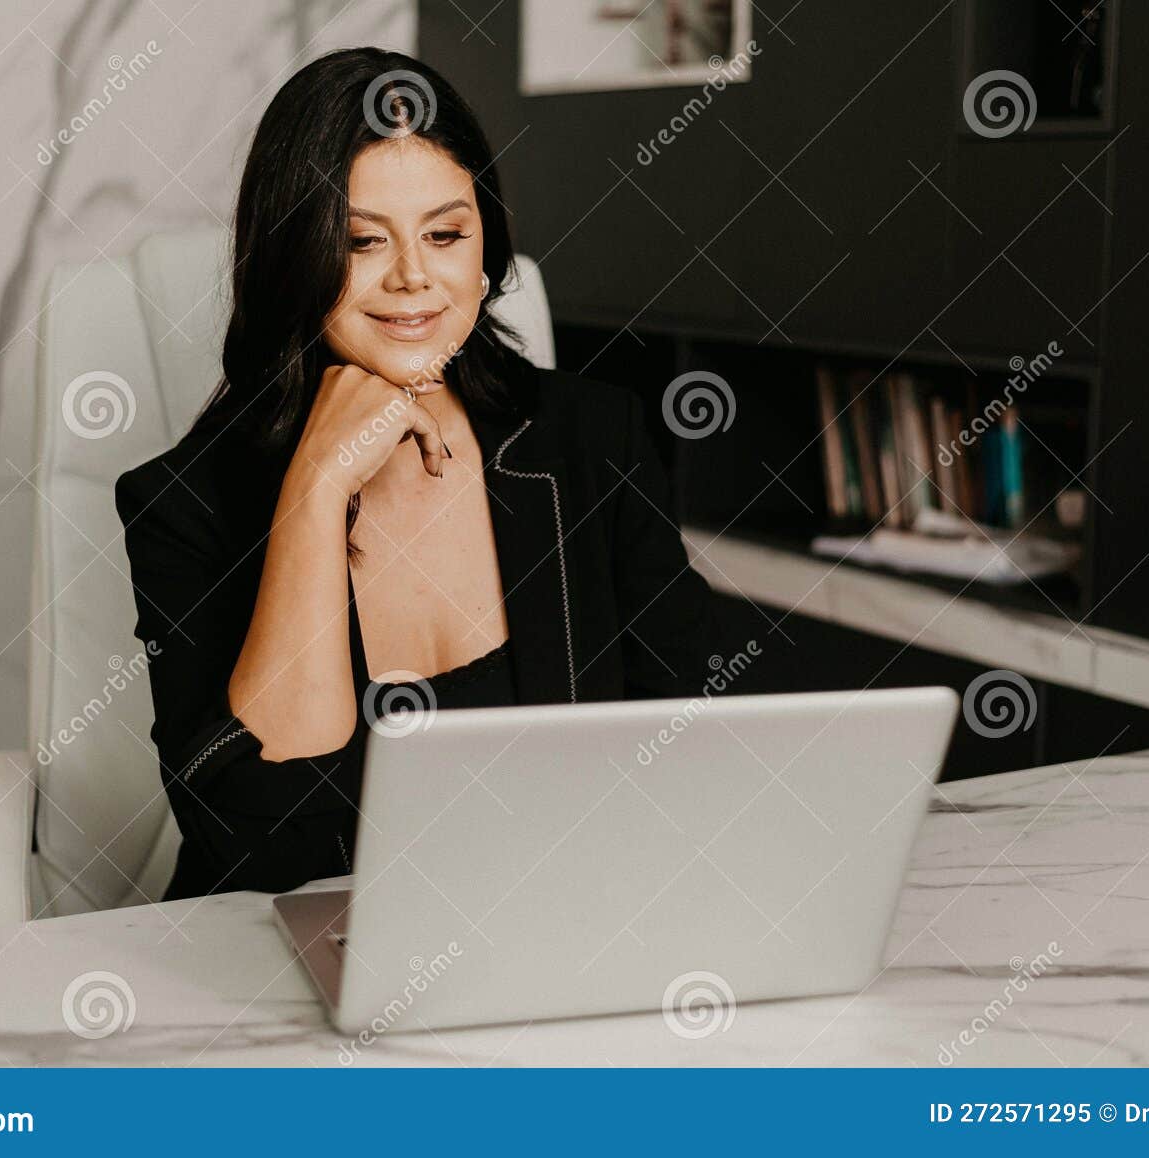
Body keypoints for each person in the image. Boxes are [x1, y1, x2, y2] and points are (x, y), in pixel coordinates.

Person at [116, 46, 724, 900]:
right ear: (294, 260)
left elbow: (684, 743)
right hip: (290, 944)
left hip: (557, 917)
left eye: (444, 234)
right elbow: (258, 849)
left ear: (485, 248)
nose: (412, 278)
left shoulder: (596, 439)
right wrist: (316, 491)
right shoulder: (184, 505)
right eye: (362, 241)